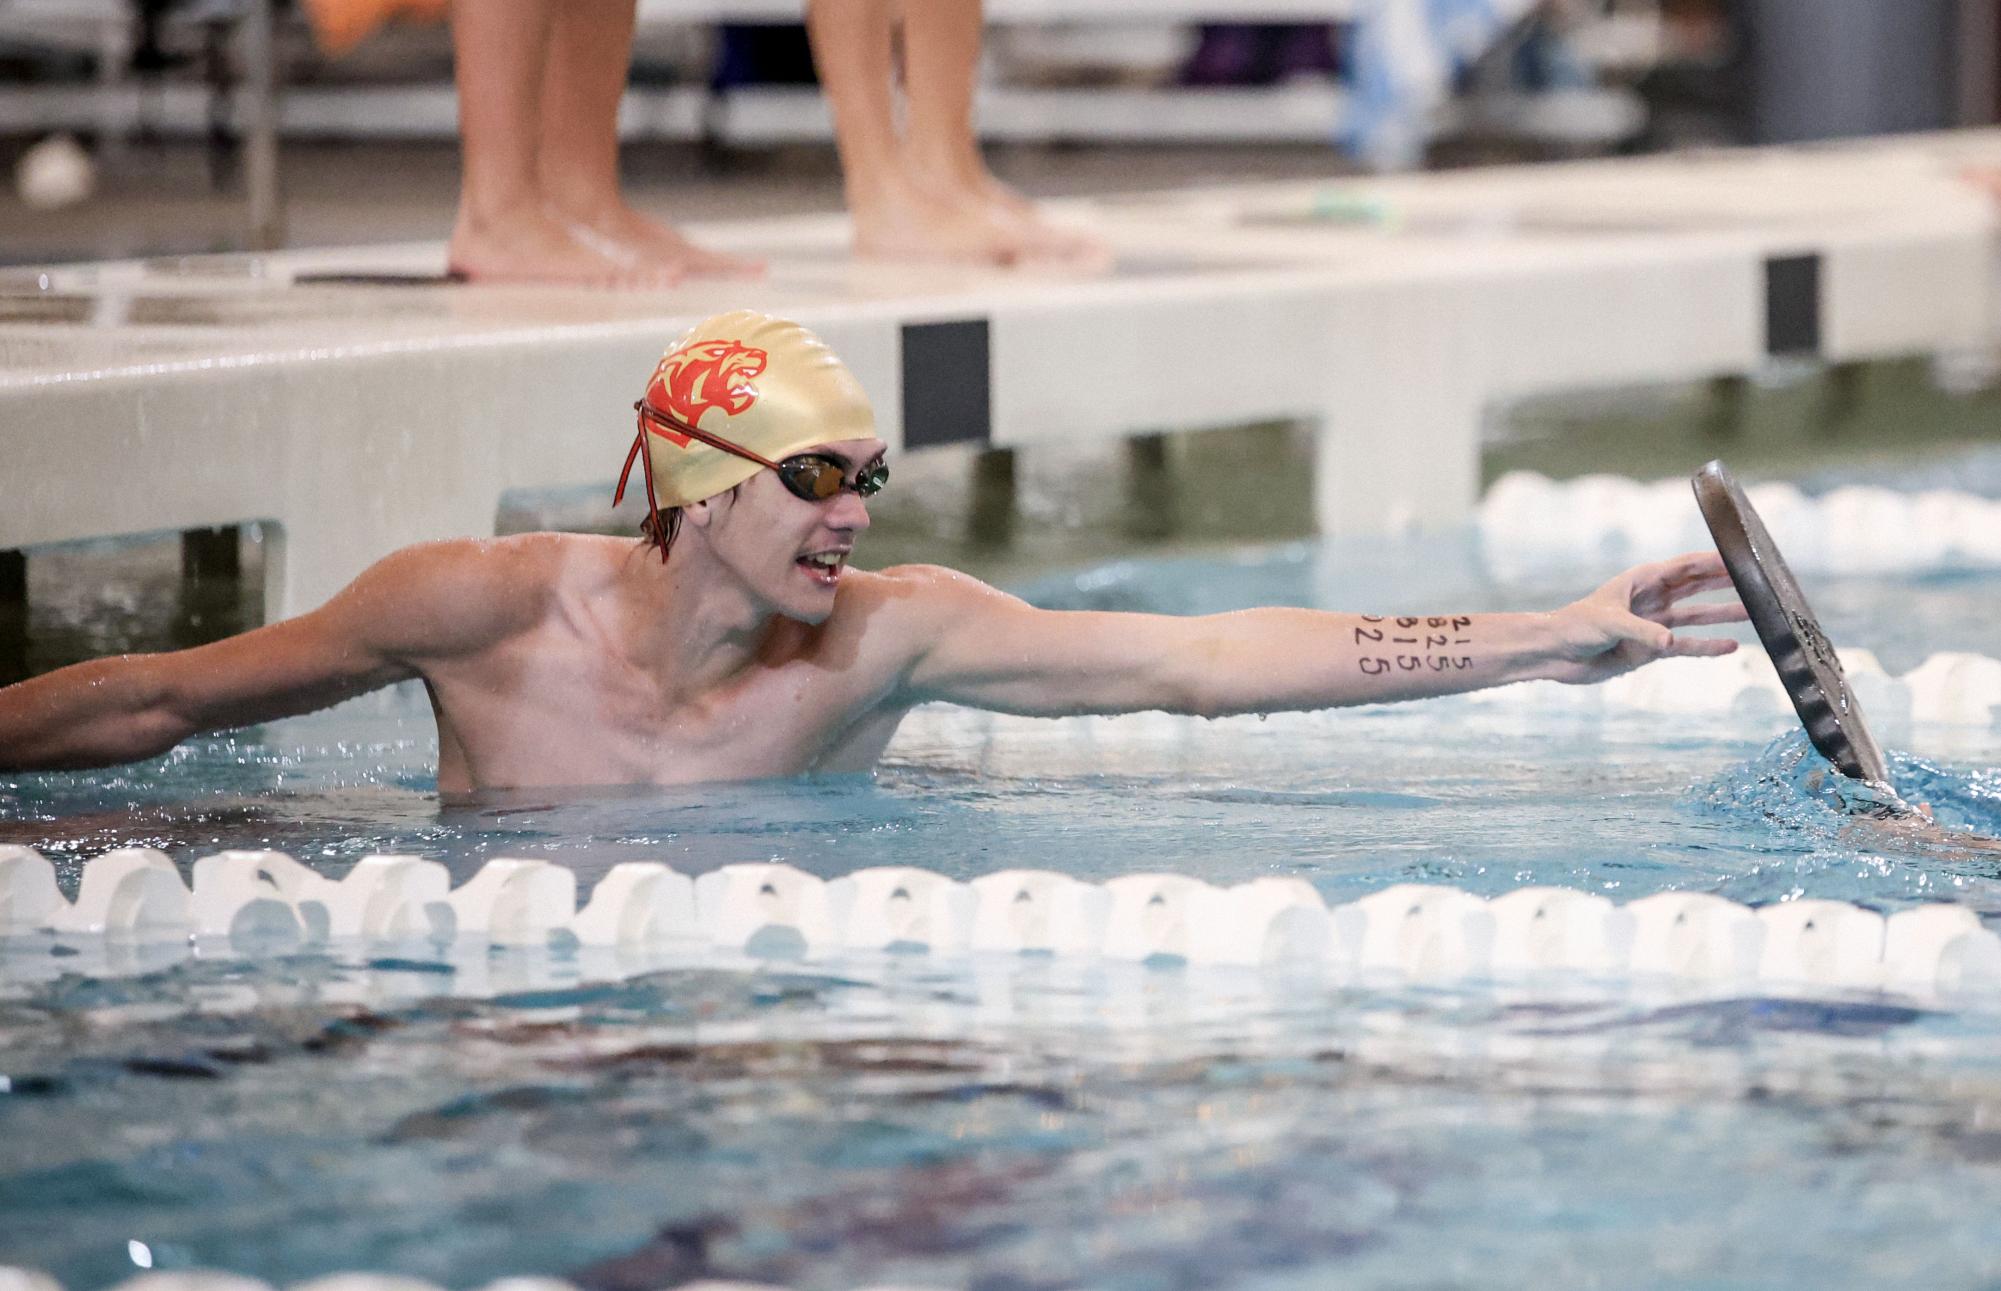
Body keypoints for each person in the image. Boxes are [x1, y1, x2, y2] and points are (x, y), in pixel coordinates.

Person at [0, 311, 1746, 794]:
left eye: (869, 478)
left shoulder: (885, 641)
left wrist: (1552, 635)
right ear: (694, 487)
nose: (853, 512)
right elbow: (161, 697)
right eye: (816, 475)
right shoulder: (478, 607)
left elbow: (1199, 664)